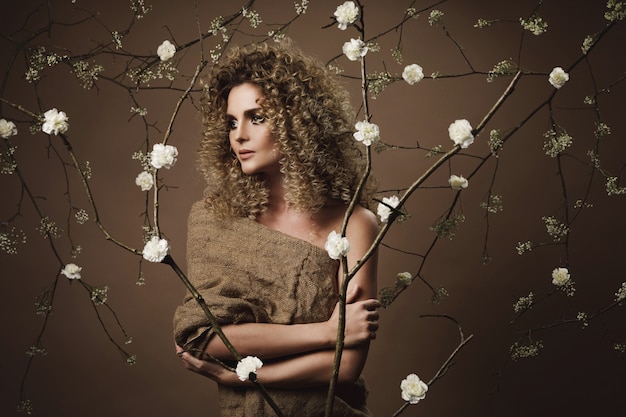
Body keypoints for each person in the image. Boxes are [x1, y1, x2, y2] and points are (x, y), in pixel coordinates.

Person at [173, 40, 380, 417]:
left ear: (298, 123)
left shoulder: (356, 224)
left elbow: (347, 366)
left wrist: (244, 377)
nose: (239, 135)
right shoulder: (213, 219)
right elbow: (204, 337)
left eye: (257, 117)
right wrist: (324, 332)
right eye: (232, 121)